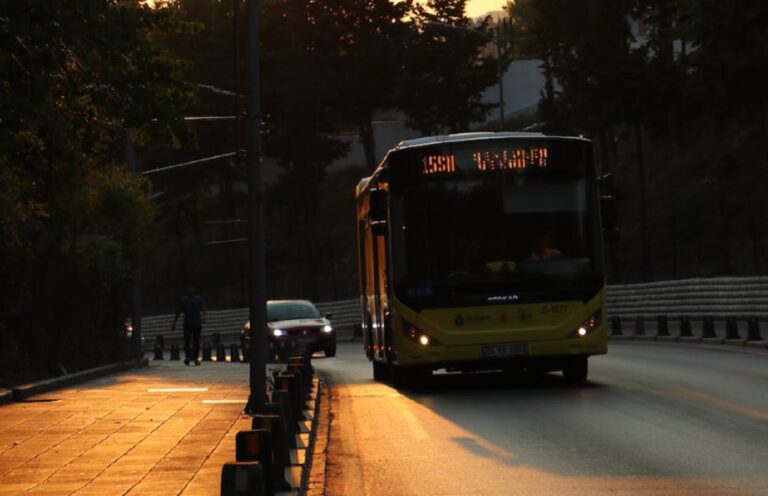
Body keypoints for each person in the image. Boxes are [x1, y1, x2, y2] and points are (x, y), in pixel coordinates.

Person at [172, 284, 207, 366]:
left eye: (192, 289)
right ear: (187, 291)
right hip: (187, 324)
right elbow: (178, 312)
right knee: (187, 341)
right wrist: (174, 323)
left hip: (196, 324)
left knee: (196, 341)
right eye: (190, 290)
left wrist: (204, 317)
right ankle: (187, 357)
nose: (191, 291)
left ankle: (195, 358)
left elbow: (204, 309)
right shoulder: (183, 300)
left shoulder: (199, 299)